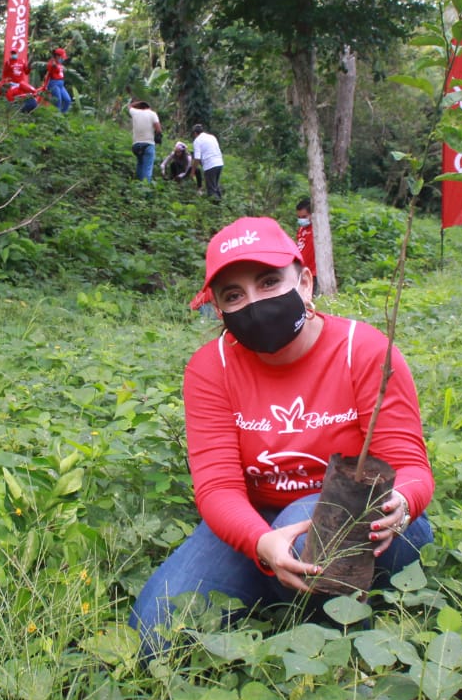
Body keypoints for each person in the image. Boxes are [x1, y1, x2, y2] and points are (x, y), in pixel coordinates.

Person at [129, 217, 433, 657]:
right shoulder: (210, 368)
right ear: (218, 309)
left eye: (270, 282)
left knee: (312, 525)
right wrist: (259, 541)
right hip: (260, 517)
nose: (254, 303)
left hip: (363, 514)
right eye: (234, 295)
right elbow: (217, 487)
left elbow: (410, 465)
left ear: (305, 282)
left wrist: (401, 503)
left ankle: (326, 628)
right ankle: (279, 581)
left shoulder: (363, 351)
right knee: (155, 634)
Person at [129, 99, 162, 182]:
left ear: (139, 107)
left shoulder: (135, 112)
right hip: (148, 144)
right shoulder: (152, 113)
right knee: (147, 169)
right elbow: (158, 129)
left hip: (136, 145)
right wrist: (158, 136)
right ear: (148, 107)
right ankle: (145, 190)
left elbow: (129, 106)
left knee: (140, 164)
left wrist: (138, 103)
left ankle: (138, 186)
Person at [190, 123, 225, 201]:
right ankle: (220, 205)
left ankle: (214, 208)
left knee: (211, 189)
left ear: (195, 133)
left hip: (210, 165)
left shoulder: (197, 141)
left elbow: (197, 158)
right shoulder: (212, 137)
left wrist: (192, 172)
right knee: (215, 186)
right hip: (219, 162)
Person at [295, 198, 317, 283]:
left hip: (313, 273)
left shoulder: (317, 229)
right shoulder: (301, 229)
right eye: (299, 217)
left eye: (304, 217)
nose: (301, 220)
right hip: (301, 271)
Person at [45, 47, 73, 113]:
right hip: (54, 83)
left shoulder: (59, 63)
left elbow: (61, 70)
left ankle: (62, 114)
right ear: (57, 56)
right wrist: (53, 66)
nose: (63, 59)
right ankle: (57, 116)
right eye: (61, 57)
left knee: (67, 100)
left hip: (61, 84)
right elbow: (50, 70)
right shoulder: (51, 63)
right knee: (58, 101)